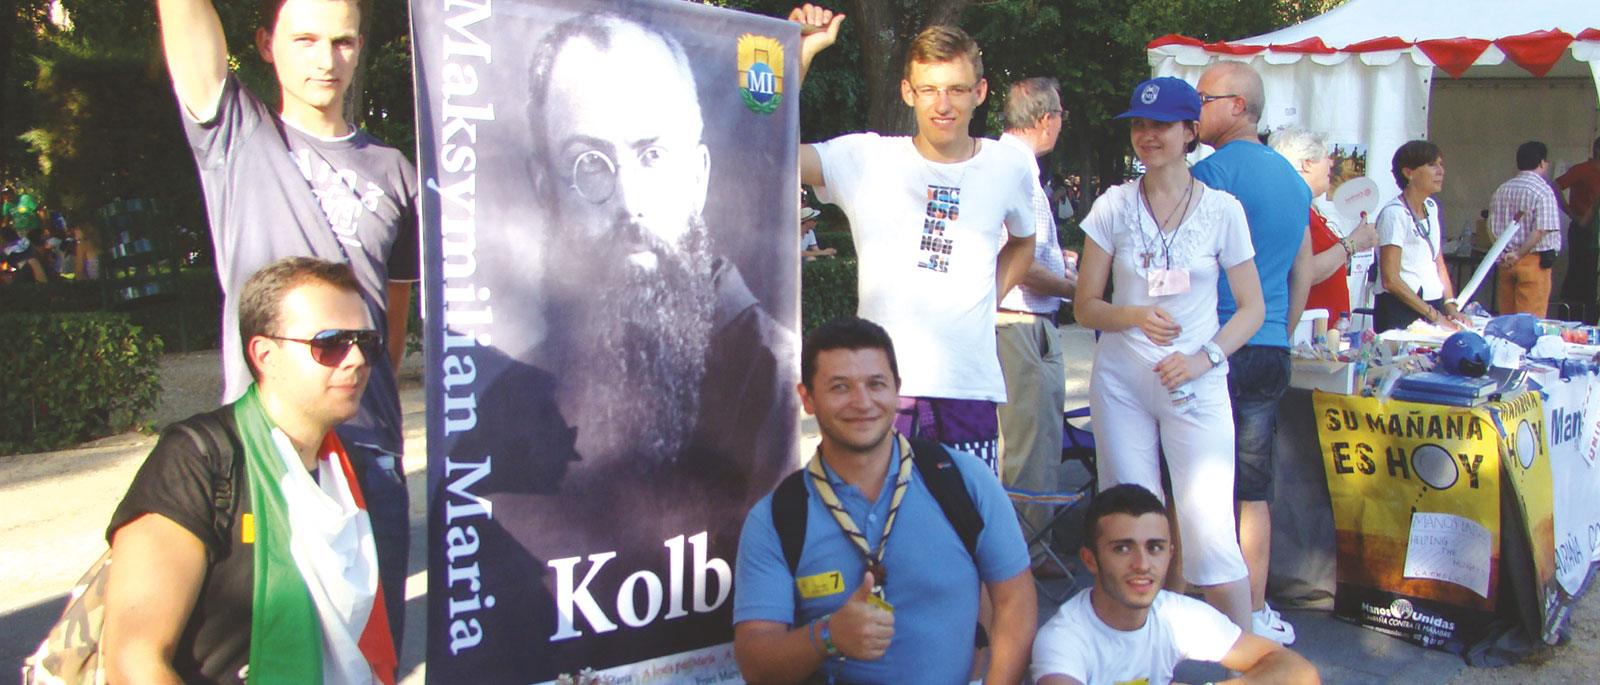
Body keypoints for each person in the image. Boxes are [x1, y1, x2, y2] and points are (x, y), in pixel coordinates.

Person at [436, 12, 799, 677]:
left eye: (652, 155)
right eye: (589, 165)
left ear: (697, 177)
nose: (630, 201)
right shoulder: (506, 406)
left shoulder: (772, 377)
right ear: (546, 187)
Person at [155, 0, 417, 645]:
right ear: (265, 44)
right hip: (267, 448)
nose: (326, 59)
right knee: (274, 656)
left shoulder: (397, 172)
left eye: (343, 41)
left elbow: (390, 326)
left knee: (372, 654)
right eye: (304, 39)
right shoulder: (235, 136)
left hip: (371, 450)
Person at [103, 257, 396, 684]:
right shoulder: (200, 458)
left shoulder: (349, 469)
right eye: (330, 343)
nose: (355, 360)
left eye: (366, 342)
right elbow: (134, 661)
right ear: (265, 355)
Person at [792, 4, 1037, 473]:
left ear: (980, 92)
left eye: (957, 89)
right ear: (908, 92)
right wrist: (800, 55)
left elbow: (1023, 242)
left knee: (964, 516)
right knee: (872, 514)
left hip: (968, 389)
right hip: (880, 390)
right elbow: (772, 149)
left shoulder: (1009, 165)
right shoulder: (866, 157)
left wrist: (989, 296)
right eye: (928, 89)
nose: (942, 105)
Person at [733, 316, 1034, 684]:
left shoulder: (963, 479)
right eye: (840, 387)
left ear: (897, 391)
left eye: (876, 384)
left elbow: (1015, 602)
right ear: (807, 398)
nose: (862, 402)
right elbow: (755, 664)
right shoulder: (777, 518)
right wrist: (828, 636)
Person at [1074, 76, 1263, 635]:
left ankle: (1248, 659)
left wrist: (1205, 358)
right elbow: (1086, 306)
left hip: (1194, 382)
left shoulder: (1223, 210)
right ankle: (1134, 650)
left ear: (1190, 132)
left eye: (1160, 125)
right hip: (1122, 381)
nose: (1147, 135)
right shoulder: (1113, 205)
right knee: (1129, 523)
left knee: (1210, 529)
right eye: (1139, 124)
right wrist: (1133, 315)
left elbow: (1251, 308)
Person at [1192, 61, 1314, 644]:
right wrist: (1280, 330)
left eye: (1204, 98)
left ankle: (1177, 606)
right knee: (1253, 489)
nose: (1194, 109)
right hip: (1267, 346)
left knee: (1190, 481)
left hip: (1213, 345)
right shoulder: (1294, 180)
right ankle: (1256, 611)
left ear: (1238, 106)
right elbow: (1302, 270)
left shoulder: (1209, 173)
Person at [1031, 484, 1321, 685]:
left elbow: (1300, 673)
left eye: (1154, 548)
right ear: (1090, 560)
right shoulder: (1063, 639)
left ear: (1170, 555)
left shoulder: (1175, 614)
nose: (1142, 564)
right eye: (1122, 548)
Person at [993, 76, 1076, 554]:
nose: (1062, 124)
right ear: (1046, 119)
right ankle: (1024, 557)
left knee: (1025, 445)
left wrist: (1060, 266)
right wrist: (1073, 288)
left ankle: (1021, 554)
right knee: (1030, 448)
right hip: (1021, 324)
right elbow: (1018, 262)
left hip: (1015, 324)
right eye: (1061, 114)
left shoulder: (1007, 163)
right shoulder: (1017, 170)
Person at [1268, 128, 1379, 322]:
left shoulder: (1307, 207)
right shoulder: (1290, 207)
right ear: (1307, 164)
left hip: (1326, 326)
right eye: (1327, 156)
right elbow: (1302, 272)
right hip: (1307, 326)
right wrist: (1352, 243)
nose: (1332, 163)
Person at [1374, 141, 1472, 333]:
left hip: (1431, 303)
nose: (1440, 171)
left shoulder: (1431, 208)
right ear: (1409, 173)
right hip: (1400, 308)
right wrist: (1434, 316)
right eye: (1432, 165)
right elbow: (1390, 279)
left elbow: (1437, 260)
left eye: (1441, 164)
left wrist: (1450, 305)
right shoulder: (1394, 214)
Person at [1489, 141, 1563, 317]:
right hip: (1533, 262)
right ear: (1542, 162)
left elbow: (1490, 225)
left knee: (1507, 318)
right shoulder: (1543, 191)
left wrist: (1503, 253)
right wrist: (1519, 254)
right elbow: (1541, 230)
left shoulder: (1502, 189)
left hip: (1506, 261)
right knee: (1529, 321)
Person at [1557, 136, 1600, 320]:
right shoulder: (1582, 169)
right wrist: (1571, 212)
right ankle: (1571, 317)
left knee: (1593, 277)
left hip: (1595, 230)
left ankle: (1590, 317)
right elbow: (1555, 186)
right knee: (1580, 274)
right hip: (1584, 229)